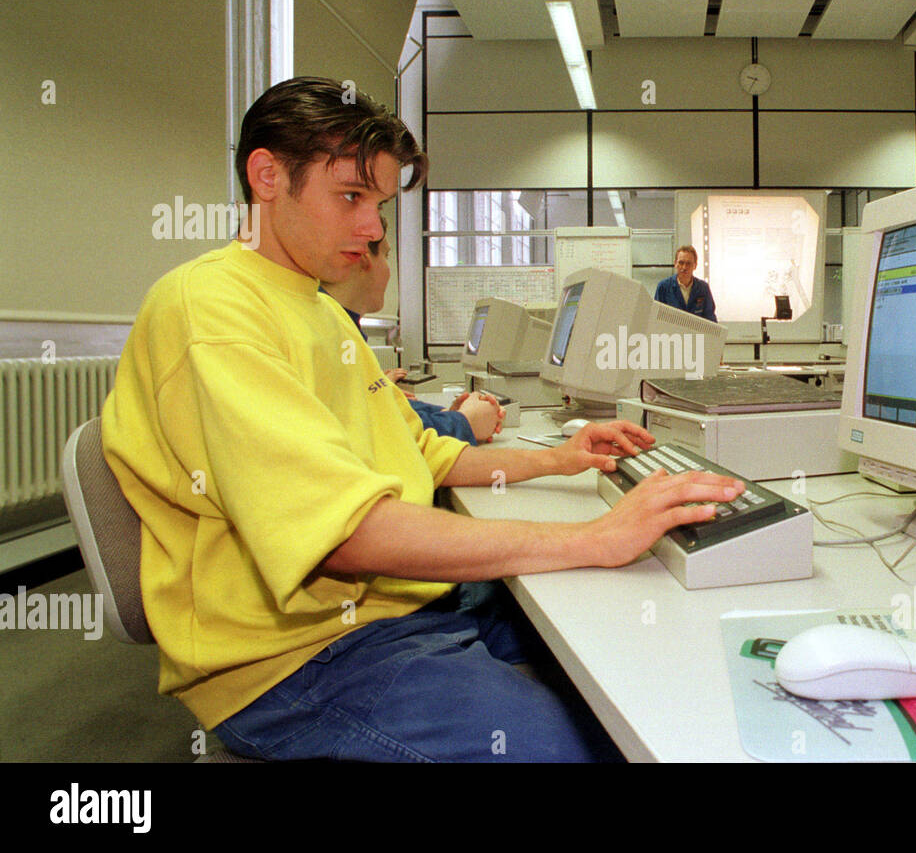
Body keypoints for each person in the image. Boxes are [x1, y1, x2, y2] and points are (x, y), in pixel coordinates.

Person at [101, 76, 743, 763]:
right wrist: (593, 536)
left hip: (398, 606)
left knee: (629, 641)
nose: (374, 227)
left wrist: (560, 457)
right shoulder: (213, 309)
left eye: (377, 204)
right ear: (266, 176)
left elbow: (427, 454)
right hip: (300, 659)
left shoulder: (318, 311)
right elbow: (344, 534)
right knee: (576, 748)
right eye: (351, 196)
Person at [319, 221, 503, 444]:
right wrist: (462, 423)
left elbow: (385, 413)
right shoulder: (329, 334)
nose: (388, 271)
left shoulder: (339, 325)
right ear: (365, 259)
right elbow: (378, 433)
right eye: (386, 256)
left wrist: (445, 415)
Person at [654, 245, 717, 322]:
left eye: (688, 263)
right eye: (681, 263)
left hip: (697, 333)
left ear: (695, 265)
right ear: (675, 264)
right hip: (671, 333)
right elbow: (656, 318)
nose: (684, 267)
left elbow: (710, 319)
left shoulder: (703, 288)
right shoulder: (663, 287)